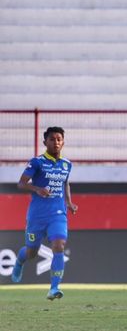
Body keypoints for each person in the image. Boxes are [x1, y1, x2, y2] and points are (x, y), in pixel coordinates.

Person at [11, 126, 78, 300]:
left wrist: (69, 202)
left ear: (63, 142)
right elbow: (21, 183)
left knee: (59, 244)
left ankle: (54, 288)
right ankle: (19, 261)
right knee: (32, 252)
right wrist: (37, 189)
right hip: (37, 216)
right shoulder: (37, 162)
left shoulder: (67, 164)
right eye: (52, 139)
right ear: (45, 142)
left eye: (59, 139)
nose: (56, 142)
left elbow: (66, 183)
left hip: (58, 213)